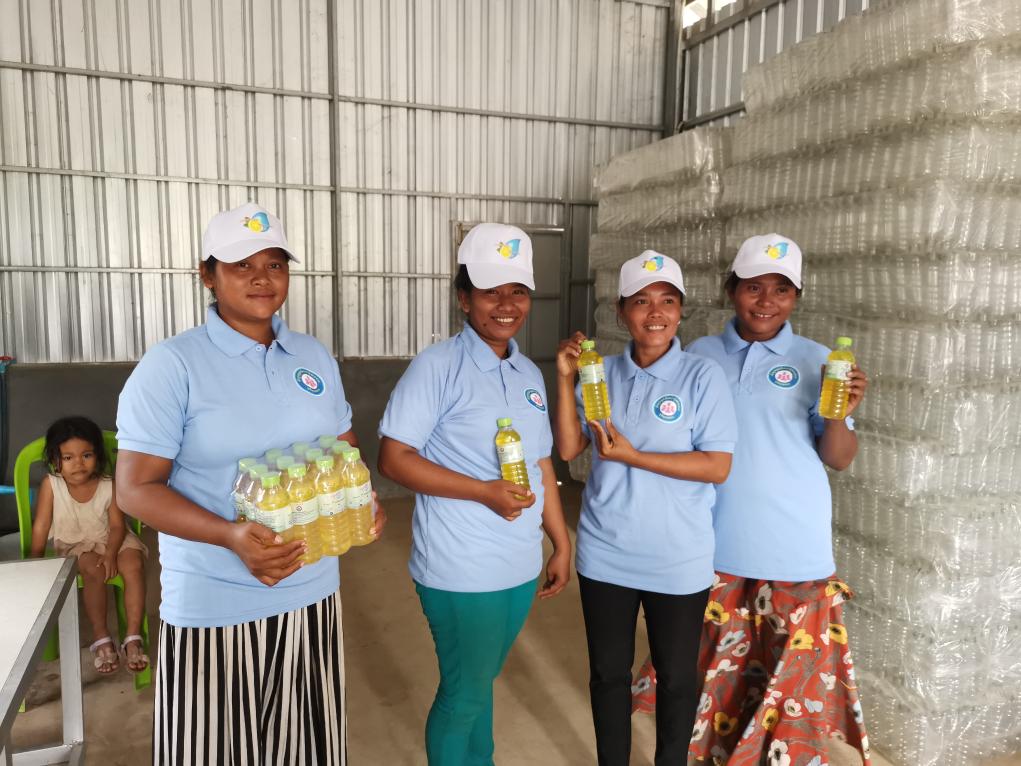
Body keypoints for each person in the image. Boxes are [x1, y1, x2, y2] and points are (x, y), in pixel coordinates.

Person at [115, 202, 386, 765]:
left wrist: (363, 498)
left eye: (275, 264)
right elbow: (135, 489)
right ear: (207, 275)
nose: (262, 278)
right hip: (214, 603)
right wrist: (229, 535)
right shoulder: (172, 366)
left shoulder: (312, 355)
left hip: (312, 595)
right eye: (242, 265)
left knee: (305, 749)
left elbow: (344, 450)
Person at [632, 234, 871, 765]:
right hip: (711, 547)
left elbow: (838, 457)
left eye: (781, 289)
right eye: (753, 287)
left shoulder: (819, 360)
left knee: (788, 698)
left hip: (795, 551)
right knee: (713, 687)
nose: (766, 301)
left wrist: (838, 415)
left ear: (796, 296)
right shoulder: (697, 355)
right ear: (731, 290)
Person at [377, 223, 571, 766]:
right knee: (464, 695)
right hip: (461, 566)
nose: (506, 304)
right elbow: (393, 458)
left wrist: (560, 542)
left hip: (518, 563)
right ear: (464, 298)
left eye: (518, 291)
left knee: (480, 684)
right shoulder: (438, 367)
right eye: (490, 291)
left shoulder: (527, 372)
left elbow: (540, 463)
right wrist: (483, 492)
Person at [555, 251, 737, 766]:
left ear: (680, 310)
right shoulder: (601, 373)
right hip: (606, 552)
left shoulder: (702, 377)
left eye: (667, 301)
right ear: (621, 312)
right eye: (640, 301)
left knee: (677, 679)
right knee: (608, 675)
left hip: (678, 557)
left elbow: (716, 466)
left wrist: (634, 456)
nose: (655, 313)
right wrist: (564, 378)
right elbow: (569, 448)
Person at [30, 415, 149, 675]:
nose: (78, 463)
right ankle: (101, 636)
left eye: (86, 455)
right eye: (68, 457)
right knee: (92, 569)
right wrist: (35, 564)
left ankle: (132, 636)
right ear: (55, 460)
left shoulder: (108, 484)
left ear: (98, 456)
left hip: (112, 540)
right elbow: (40, 526)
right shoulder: (52, 485)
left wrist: (111, 553)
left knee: (133, 563)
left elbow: (117, 526)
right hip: (76, 545)